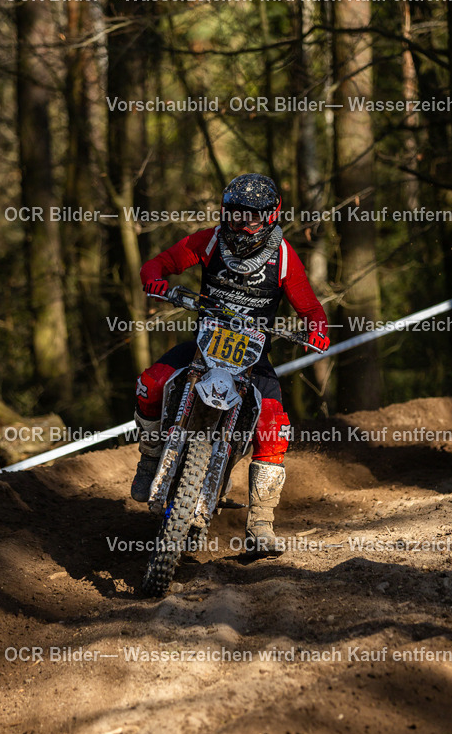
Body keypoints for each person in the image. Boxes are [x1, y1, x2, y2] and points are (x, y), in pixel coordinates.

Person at [130, 173, 329, 555]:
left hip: (253, 357)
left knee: (273, 424)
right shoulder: (210, 240)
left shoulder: (284, 257)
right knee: (151, 384)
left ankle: (261, 522)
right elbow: (161, 263)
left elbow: (310, 308)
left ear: (271, 217)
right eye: (235, 215)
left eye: (252, 218)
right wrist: (154, 278)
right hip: (206, 345)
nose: (242, 225)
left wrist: (317, 331)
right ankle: (151, 455)